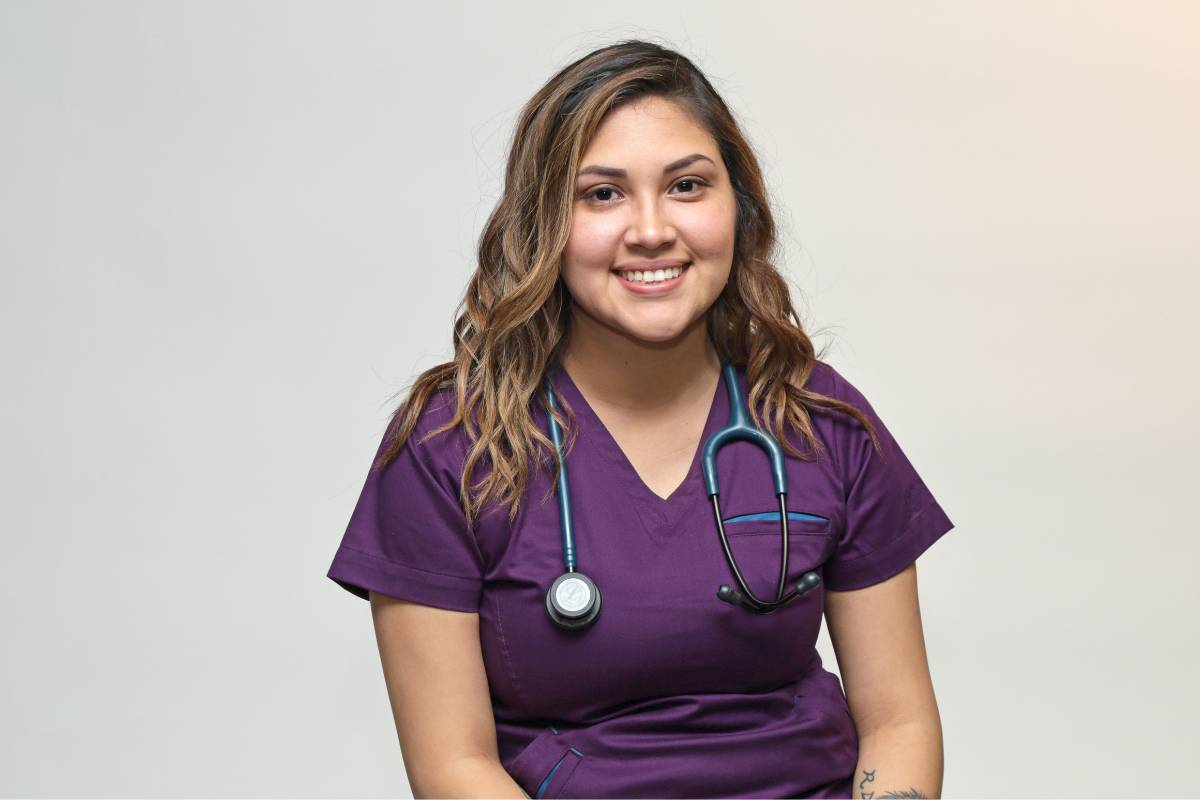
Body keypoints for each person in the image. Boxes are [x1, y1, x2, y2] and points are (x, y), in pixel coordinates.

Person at [326, 39, 955, 800]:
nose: (652, 229)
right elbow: (453, 769)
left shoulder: (822, 421)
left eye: (687, 185)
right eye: (602, 194)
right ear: (542, 225)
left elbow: (897, 721)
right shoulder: (447, 449)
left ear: (739, 207)